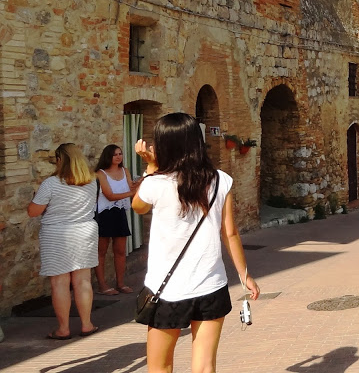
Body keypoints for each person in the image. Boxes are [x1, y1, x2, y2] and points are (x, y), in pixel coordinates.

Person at [132, 112, 260, 373]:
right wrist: (245, 275)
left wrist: (150, 168)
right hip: (211, 284)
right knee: (204, 366)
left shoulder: (155, 183)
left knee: (160, 366)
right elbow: (230, 233)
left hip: (166, 290)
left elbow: (137, 208)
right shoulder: (220, 179)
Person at [27, 143, 99, 339]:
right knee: (83, 280)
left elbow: (34, 211)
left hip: (57, 234)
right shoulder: (92, 181)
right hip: (85, 231)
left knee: (60, 282)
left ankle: (63, 329)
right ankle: (86, 324)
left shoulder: (51, 184)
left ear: (60, 159)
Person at [95, 144, 138, 295]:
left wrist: (141, 182)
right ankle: (102, 285)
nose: (119, 157)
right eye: (115, 154)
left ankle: (120, 283)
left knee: (120, 250)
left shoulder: (124, 170)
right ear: (108, 156)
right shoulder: (100, 174)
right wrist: (131, 193)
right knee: (101, 251)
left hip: (119, 212)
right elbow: (109, 195)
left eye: (120, 153)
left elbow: (131, 186)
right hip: (104, 214)